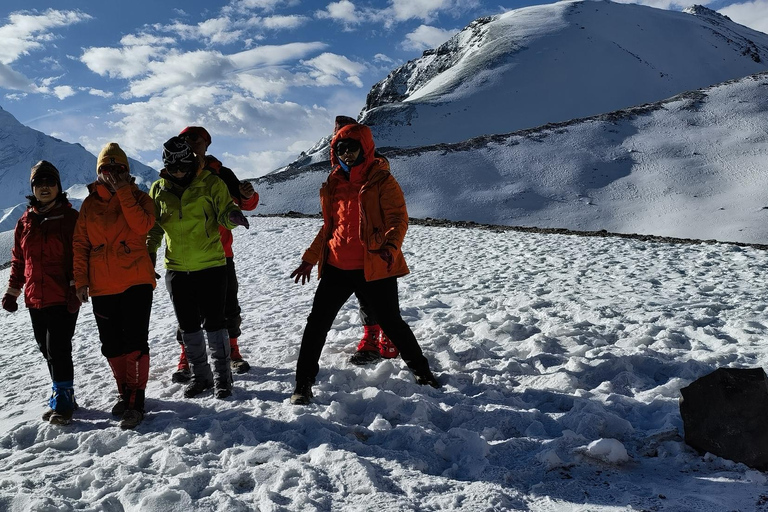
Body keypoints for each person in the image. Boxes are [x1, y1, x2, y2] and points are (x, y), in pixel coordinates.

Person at [289, 117, 440, 405]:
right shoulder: (334, 182)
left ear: (365, 149)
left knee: (391, 322)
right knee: (316, 324)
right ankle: (303, 383)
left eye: (353, 148)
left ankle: (422, 371)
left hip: (374, 265)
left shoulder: (381, 179)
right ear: (335, 152)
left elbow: (398, 218)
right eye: (342, 149)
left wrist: (391, 245)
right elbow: (329, 227)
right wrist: (310, 259)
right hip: (336, 266)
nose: (347, 154)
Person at [147, 136, 249, 400]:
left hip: (211, 265)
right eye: (173, 166)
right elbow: (155, 227)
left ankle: (223, 378)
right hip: (177, 269)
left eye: (182, 164)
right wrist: (149, 253)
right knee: (188, 326)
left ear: (191, 161)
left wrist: (232, 217)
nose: (179, 170)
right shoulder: (158, 189)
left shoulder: (211, 183)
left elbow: (224, 211)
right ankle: (201, 377)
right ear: (166, 165)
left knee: (215, 324)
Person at [72, 143, 156, 430]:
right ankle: (125, 393)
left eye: (119, 168)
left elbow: (142, 226)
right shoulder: (89, 204)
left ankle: (137, 400)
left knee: (135, 342)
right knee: (111, 346)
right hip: (102, 285)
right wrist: (81, 280)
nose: (112, 174)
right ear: (99, 172)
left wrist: (123, 193)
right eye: (106, 169)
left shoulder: (140, 198)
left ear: (127, 171)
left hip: (136, 280)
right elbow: (81, 244)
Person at [167, 126, 259, 383]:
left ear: (206, 144)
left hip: (220, 254)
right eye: (185, 139)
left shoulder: (221, 173)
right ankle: (187, 357)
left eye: (194, 139)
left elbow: (243, 202)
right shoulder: (175, 173)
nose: (189, 143)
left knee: (227, 306)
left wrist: (248, 196)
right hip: (185, 257)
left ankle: (233, 353)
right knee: (188, 312)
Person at [3, 161, 80, 425]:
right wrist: (13, 292)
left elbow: (80, 255)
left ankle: (62, 403)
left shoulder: (70, 218)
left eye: (50, 182)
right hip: (35, 297)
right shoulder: (25, 221)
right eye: (39, 183)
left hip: (63, 294)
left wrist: (76, 286)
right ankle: (65, 393)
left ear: (59, 186)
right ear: (32, 188)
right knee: (45, 349)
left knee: (58, 347)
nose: (45, 187)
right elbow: (19, 261)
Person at [329, 116, 400, 366]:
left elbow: (394, 213)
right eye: (340, 143)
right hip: (350, 251)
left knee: (383, 296)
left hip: (376, 247)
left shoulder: (376, 167)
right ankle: (371, 338)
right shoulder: (340, 170)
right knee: (365, 297)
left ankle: (387, 337)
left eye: (349, 141)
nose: (345, 149)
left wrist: (388, 242)